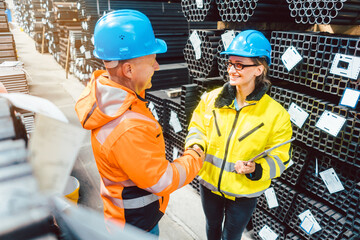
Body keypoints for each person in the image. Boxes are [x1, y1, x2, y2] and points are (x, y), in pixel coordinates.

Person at [75, 9, 204, 236]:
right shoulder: (127, 127)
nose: (156, 67)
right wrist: (195, 156)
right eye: (152, 60)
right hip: (135, 226)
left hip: (121, 214)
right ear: (128, 69)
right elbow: (162, 180)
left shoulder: (109, 96)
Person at [185, 30, 293, 240]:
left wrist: (257, 169)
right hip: (209, 183)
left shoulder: (276, 114)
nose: (231, 70)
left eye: (240, 65)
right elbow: (196, 127)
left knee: (231, 235)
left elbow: (282, 157)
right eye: (230, 63)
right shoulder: (211, 99)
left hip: (244, 191)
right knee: (212, 227)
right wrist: (196, 145)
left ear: (259, 69)